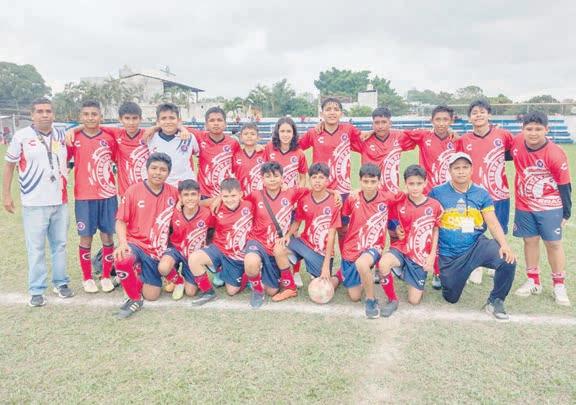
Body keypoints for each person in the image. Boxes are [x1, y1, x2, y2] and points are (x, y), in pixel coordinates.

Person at [3, 98, 74, 306]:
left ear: (53, 114)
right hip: (34, 202)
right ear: (32, 115)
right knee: (36, 248)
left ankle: (61, 283)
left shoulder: (62, 135)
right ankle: (36, 289)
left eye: (48, 111)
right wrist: (6, 195)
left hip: (59, 200)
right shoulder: (21, 137)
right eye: (40, 111)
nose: (45, 115)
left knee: (60, 245)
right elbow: (9, 166)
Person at [429, 152, 516, 321]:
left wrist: (504, 245)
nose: (461, 171)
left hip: (476, 246)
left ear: (471, 169)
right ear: (450, 170)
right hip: (450, 254)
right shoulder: (437, 192)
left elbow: (492, 223)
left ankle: (496, 301)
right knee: (451, 297)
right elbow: (428, 220)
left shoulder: (481, 193)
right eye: (457, 168)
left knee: (508, 259)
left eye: (465, 167)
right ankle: (457, 275)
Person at [511, 111, 572, 306]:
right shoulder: (517, 143)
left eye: (538, 129)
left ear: (547, 129)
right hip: (524, 204)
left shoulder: (555, 153)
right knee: (529, 241)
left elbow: (564, 184)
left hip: (550, 206)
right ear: (522, 130)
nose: (533, 133)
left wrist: (566, 212)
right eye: (529, 129)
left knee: (553, 244)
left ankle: (559, 285)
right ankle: (533, 281)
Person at [113, 152, 179, 319]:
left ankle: (136, 273)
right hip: (136, 244)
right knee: (123, 258)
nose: (158, 172)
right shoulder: (133, 191)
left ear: (168, 173)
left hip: (157, 251)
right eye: (154, 168)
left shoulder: (173, 193)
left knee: (152, 295)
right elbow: (120, 221)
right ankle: (134, 298)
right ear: (147, 169)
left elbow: (192, 206)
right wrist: (122, 243)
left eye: (163, 170)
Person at [455, 100, 514, 284]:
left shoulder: (503, 135)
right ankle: (476, 266)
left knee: (499, 229)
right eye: (474, 113)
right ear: (469, 118)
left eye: (482, 112)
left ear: (489, 114)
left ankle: (495, 261)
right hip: (472, 194)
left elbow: (513, 153)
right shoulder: (463, 140)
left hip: (499, 193)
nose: (478, 115)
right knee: (470, 230)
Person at [400, 105, 458, 289]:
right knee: (419, 232)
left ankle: (438, 272)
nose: (441, 123)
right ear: (431, 120)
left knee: (443, 233)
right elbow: (398, 134)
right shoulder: (424, 136)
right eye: (437, 119)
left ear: (451, 121)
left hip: (448, 195)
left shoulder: (457, 140)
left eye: (445, 119)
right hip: (425, 194)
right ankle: (409, 263)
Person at [243, 162, 311, 308]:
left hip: (276, 244)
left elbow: (315, 190)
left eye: (276, 176)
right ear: (262, 179)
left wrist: (334, 193)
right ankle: (257, 290)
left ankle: (280, 280)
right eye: (268, 176)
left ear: (282, 178)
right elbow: (237, 202)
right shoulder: (255, 195)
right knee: (250, 260)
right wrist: (218, 199)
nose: (272, 179)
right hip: (257, 241)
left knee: (272, 291)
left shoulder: (291, 192)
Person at [378, 165, 443, 317]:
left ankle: (404, 272)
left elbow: (435, 230)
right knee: (383, 263)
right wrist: (396, 228)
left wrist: (432, 256)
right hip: (401, 247)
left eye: (419, 183)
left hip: (420, 254)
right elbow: (389, 217)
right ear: (405, 184)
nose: (415, 187)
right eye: (411, 183)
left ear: (425, 183)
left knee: (414, 300)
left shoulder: (434, 205)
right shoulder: (400, 202)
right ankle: (392, 299)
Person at [67, 100, 118, 293]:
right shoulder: (74, 137)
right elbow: (65, 161)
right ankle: (87, 278)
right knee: (85, 238)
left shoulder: (109, 138)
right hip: (84, 197)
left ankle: (105, 276)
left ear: (101, 117)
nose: (90, 118)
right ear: (80, 117)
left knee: (107, 236)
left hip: (107, 195)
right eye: (86, 114)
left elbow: (115, 160)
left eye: (94, 114)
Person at [339, 164, 395, 318]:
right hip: (352, 248)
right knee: (354, 296)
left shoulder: (388, 198)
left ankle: (371, 300)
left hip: (373, 246)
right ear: (360, 181)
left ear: (379, 181)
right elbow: (344, 219)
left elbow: (407, 199)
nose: (369, 185)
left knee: (362, 263)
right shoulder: (353, 198)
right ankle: (344, 274)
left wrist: (397, 229)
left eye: (373, 181)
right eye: (365, 181)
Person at [187, 178, 253, 304]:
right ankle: (208, 292)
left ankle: (244, 273)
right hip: (219, 248)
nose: (230, 199)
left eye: (233, 195)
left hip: (236, 255)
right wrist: (181, 203)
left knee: (232, 291)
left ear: (241, 194)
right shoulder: (216, 208)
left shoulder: (249, 206)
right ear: (220, 196)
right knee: (194, 258)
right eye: (225, 196)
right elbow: (197, 205)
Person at [283, 163, 342, 299]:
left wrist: (326, 265)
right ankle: (287, 281)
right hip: (304, 243)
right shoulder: (304, 198)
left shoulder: (334, 202)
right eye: (314, 177)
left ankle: (338, 276)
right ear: (309, 180)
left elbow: (332, 236)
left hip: (321, 252)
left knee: (324, 286)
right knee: (281, 247)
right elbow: (297, 221)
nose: (317, 181)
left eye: (321, 178)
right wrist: (288, 235)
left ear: (327, 180)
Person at [264, 116, 309, 287]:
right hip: (273, 200)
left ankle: (295, 272)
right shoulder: (269, 148)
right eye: (282, 131)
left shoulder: (299, 153)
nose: (285, 134)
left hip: (291, 202)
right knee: (275, 234)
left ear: (294, 133)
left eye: (288, 131)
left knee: (293, 235)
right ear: (277, 132)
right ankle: (275, 268)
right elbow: (264, 172)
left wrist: (296, 196)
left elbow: (303, 177)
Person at [157, 179, 214, 301]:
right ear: (180, 197)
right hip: (176, 250)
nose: (190, 198)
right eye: (186, 195)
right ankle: (178, 281)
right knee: (163, 267)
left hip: (193, 255)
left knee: (190, 292)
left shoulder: (207, 214)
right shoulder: (173, 213)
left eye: (193, 194)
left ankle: (190, 276)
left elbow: (214, 232)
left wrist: (206, 250)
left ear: (199, 196)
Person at [352, 107, 410, 194]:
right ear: (372, 124)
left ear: (390, 123)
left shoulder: (399, 137)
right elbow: (342, 137)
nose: (380, 126)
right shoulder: (364, 139)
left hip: (392, 192)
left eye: (384, 122)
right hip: (370, 193)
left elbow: (422, 135)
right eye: (377, 123)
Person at [147, 103, 199, 187]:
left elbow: (198, 154)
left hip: (185, 186)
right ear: (158, 121)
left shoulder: (189, 137)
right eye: (163, 118)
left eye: (172, 118)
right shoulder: (150, 137)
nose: (168, 122)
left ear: (179, 120)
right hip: (161, 186)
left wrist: (182, 129)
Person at [231, 123, 264, 196]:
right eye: (246, 134)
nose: (249, 136)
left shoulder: (264, 154)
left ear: (258, 137)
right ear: (241, 137)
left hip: (260, 195)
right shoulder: (235, 154)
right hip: (240, 195)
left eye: (252, 134)